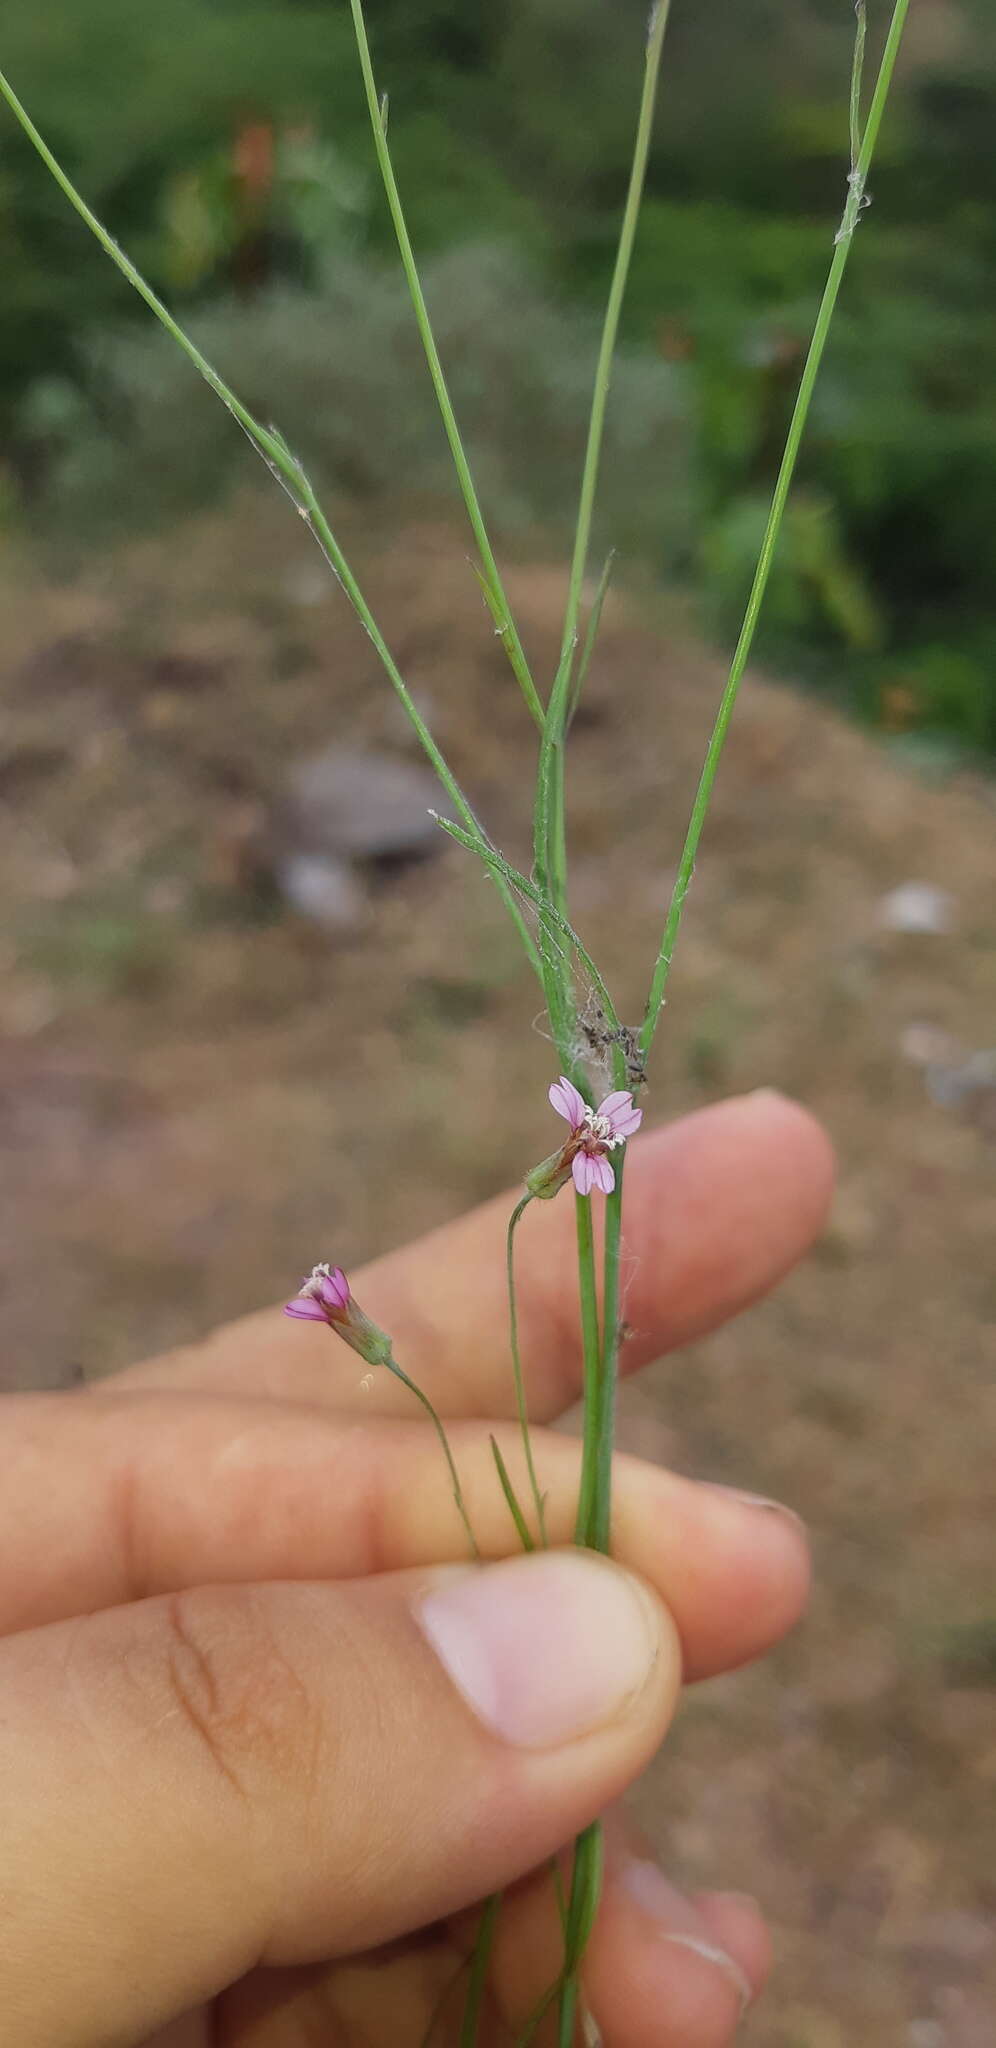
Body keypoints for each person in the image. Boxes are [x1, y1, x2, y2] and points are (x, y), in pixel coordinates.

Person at [0, 1088, 831, 2047]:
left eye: (590, 1135)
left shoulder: (575, 1170)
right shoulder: (568, 1175)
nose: (587, 1136)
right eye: (584, 1132)